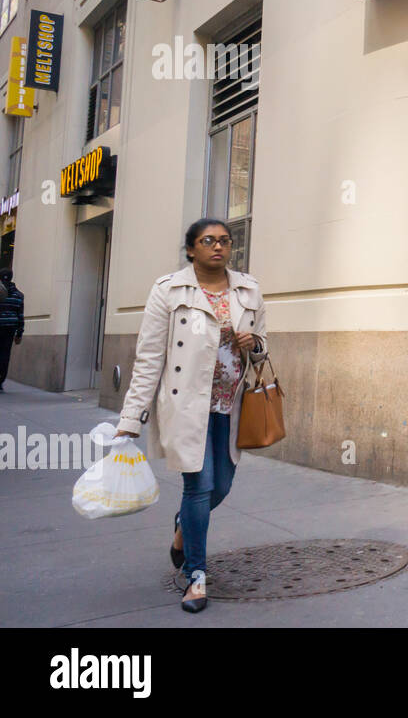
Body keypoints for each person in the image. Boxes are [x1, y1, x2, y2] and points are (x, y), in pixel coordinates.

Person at [114, 219, 269, 612]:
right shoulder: (168, 289)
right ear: (190, 249)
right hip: (186, 407)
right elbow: (149, 358)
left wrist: (255, 345)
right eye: (208, 241)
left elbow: (262, 351)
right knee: (199, 488)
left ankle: (183, 528)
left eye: (224, 240)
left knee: (222, 487)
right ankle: (196, 576)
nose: (218, 246)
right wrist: (131, 419)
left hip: (231, 406)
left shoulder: (248, 289)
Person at [0, 268, 23, 391]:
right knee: (5, 354)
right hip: (10, 328)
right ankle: (0, 380)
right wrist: (19, 333)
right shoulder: (18, 295)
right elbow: (20, 316)